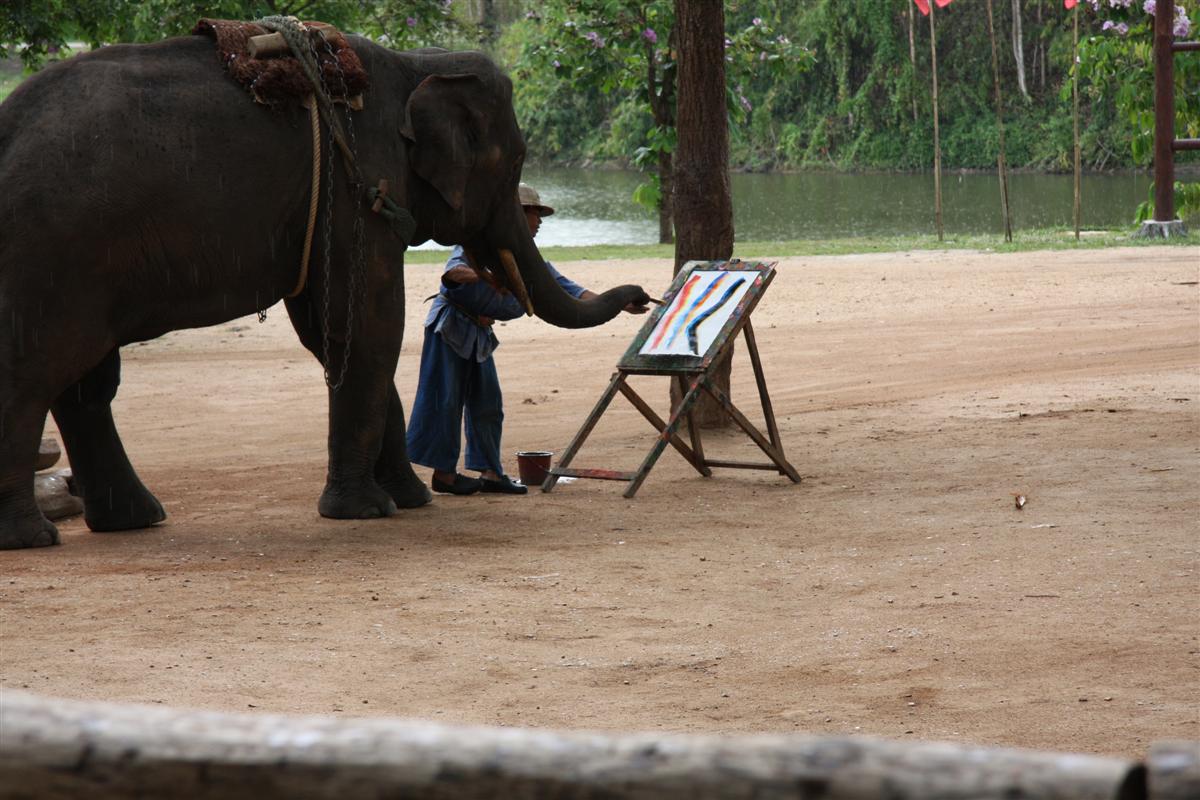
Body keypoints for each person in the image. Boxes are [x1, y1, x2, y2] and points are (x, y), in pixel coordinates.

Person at [406, 183, 645, 496]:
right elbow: (453, 273)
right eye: (535, 213)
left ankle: (491, 473)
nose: (540, 221)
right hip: (450, 329)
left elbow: (572, 292)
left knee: (488, 403)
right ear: (515, 216)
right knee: (446, 400)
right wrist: (490, 277)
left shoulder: (531, 263)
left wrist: (620, 303)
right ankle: (445, 475)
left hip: (479, 335)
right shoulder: (478, 248)